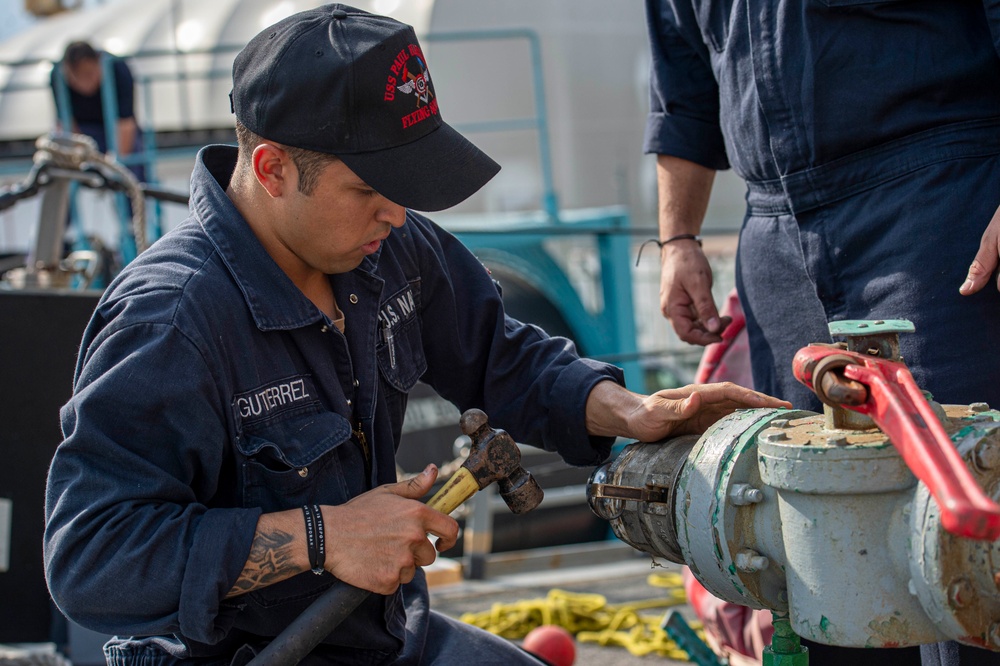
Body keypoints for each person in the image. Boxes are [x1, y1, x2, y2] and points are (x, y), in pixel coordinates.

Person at [43, 6, 787, 665]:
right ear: (271, 169)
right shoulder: (170, 323)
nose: (397, 215)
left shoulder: (387, 248)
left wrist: (631, 413)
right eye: (368, 189)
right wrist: (324, 536)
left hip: (380, 638)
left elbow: (498, 355)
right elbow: (90, 559)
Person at [642, 1, 1000, 665]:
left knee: (965, 535)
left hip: (940, 196)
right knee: (819, 548)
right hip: (775, 236)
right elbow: (684, 85)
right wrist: (677, 239)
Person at [50, 40, 143, 174]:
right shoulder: (58, 75)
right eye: (77, 77)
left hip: (117, 129)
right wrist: (79, 154)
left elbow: (126, 123)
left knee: (132, 163)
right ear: (67, 72)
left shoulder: (117, 67)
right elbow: (66, 124)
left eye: (89, 74)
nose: (85, 83)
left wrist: (114, 164)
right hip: (85, 131)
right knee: (64, 163)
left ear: (98, 63)